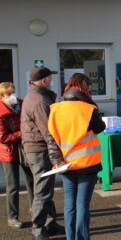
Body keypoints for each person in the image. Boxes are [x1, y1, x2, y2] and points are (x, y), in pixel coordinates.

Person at [48, 73, 105, 240]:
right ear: (84, 88)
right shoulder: (88, 109)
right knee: (82, 206)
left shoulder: (55, 108)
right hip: (87, 164)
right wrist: (91, 103)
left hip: (66, 165)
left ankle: (71, 237)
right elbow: (100, 127)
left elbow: (51, 139)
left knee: (69, 206)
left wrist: (57, 161)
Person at [21, 67, 65, 240]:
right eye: (49, 77)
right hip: (39, 150)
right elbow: (49, 131)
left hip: (37, 149)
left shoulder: (35, 96)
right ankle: (38, 229)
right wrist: (56, 157)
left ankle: (50, 224)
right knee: (42, 191)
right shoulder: (39, 100)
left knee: (46, 189)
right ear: (43, 80)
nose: (51, 80)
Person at [0, 82, 34, 229]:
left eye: (13, 92)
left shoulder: (21, 103)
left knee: (31, 180)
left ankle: (35, 209)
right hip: (9, 152)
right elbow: (3, 138)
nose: (11, 96)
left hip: (25, 148)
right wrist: (23, 133)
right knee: (13, 186)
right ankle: (12, 217)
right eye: (8, 94)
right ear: (1, 96)